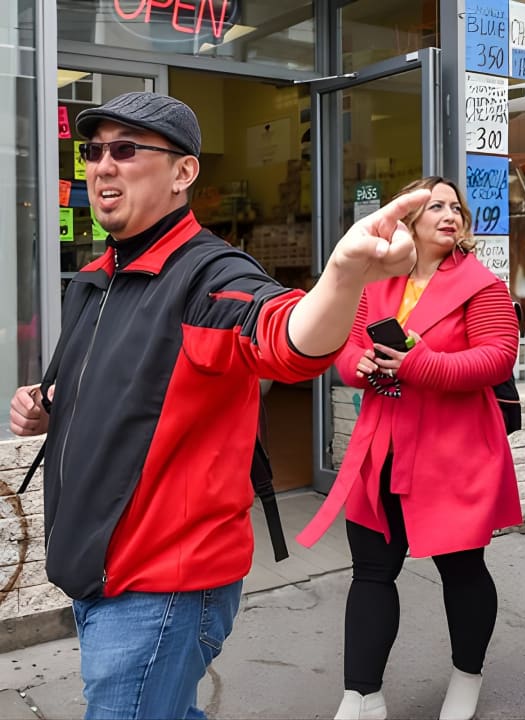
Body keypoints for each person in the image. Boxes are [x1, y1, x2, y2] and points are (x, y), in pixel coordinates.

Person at [8, 91, 431, 720]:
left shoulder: (209, 274)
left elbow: (285, 338)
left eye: (125, 150)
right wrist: (47, 406)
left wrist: (341, 277)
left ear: (183, 172)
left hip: (163, 586)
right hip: (96, 570)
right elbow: (109, 388)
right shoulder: (95, 279)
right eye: (93, 150)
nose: (102, 165)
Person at [296, 176, 523, 720]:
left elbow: (498, 358)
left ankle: (467, 678)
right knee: (371, 571)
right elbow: (343, 348)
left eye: (455, 208)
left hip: (455, 451)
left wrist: (418, 364)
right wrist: (362, 366)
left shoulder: (482, 285)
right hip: (383, 448)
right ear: (409, 220)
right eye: (434, 206)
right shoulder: (376, 283)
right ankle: (361, 694)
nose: (449, 214)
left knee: (462, 570)